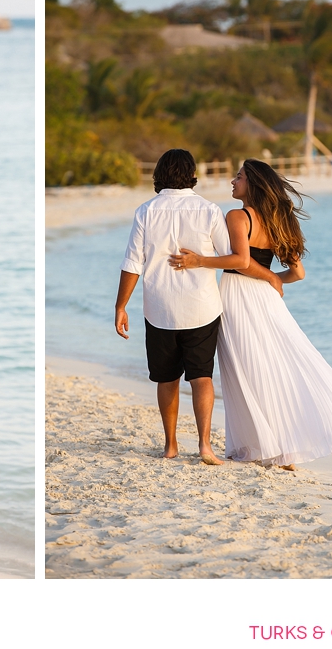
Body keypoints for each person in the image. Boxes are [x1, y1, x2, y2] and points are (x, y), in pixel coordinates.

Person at [169, 159, 332, 469]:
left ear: (252, 184)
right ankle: (284, 449)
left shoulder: (238, 216)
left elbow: (240, 261)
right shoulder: (279, 220)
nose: (233, 181)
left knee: (246, 371)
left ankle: (262, 446)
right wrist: (271, 279)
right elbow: (298, 273)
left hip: (237, 295)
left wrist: (199, 261)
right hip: (267, 299)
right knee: (273, 366)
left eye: (239, 177)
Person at [114, 149, 251, 464]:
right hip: (201, 307)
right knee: (202, 376)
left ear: (159, 175)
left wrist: (121, 306)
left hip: (159, 309)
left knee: (167, 378)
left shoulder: (146, 211)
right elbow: (230, 257)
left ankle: (171, 446)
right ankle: (205, 445)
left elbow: (132, 263)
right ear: (191, 175)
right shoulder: (209, 210)